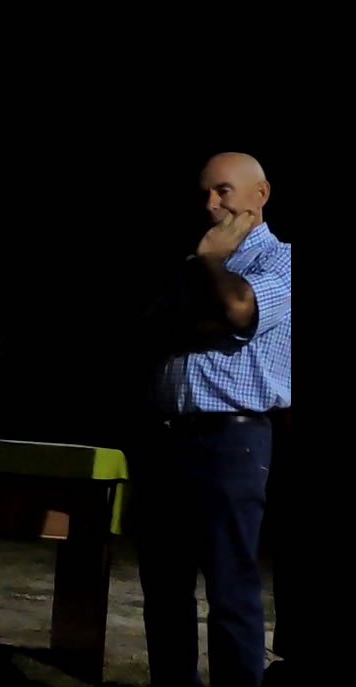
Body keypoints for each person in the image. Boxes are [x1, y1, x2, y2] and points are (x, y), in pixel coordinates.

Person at [137, 152, 290, 686]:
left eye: (223, 190)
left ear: (259, 195)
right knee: (165, 585)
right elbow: (155, 327)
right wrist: (204, 284)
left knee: (230, 584)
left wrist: (210, 265)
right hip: (168, 434)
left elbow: (238, 310)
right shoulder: (194, 261)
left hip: (232, 438)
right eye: (204, 192)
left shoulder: (281, 260)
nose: (210, 204)